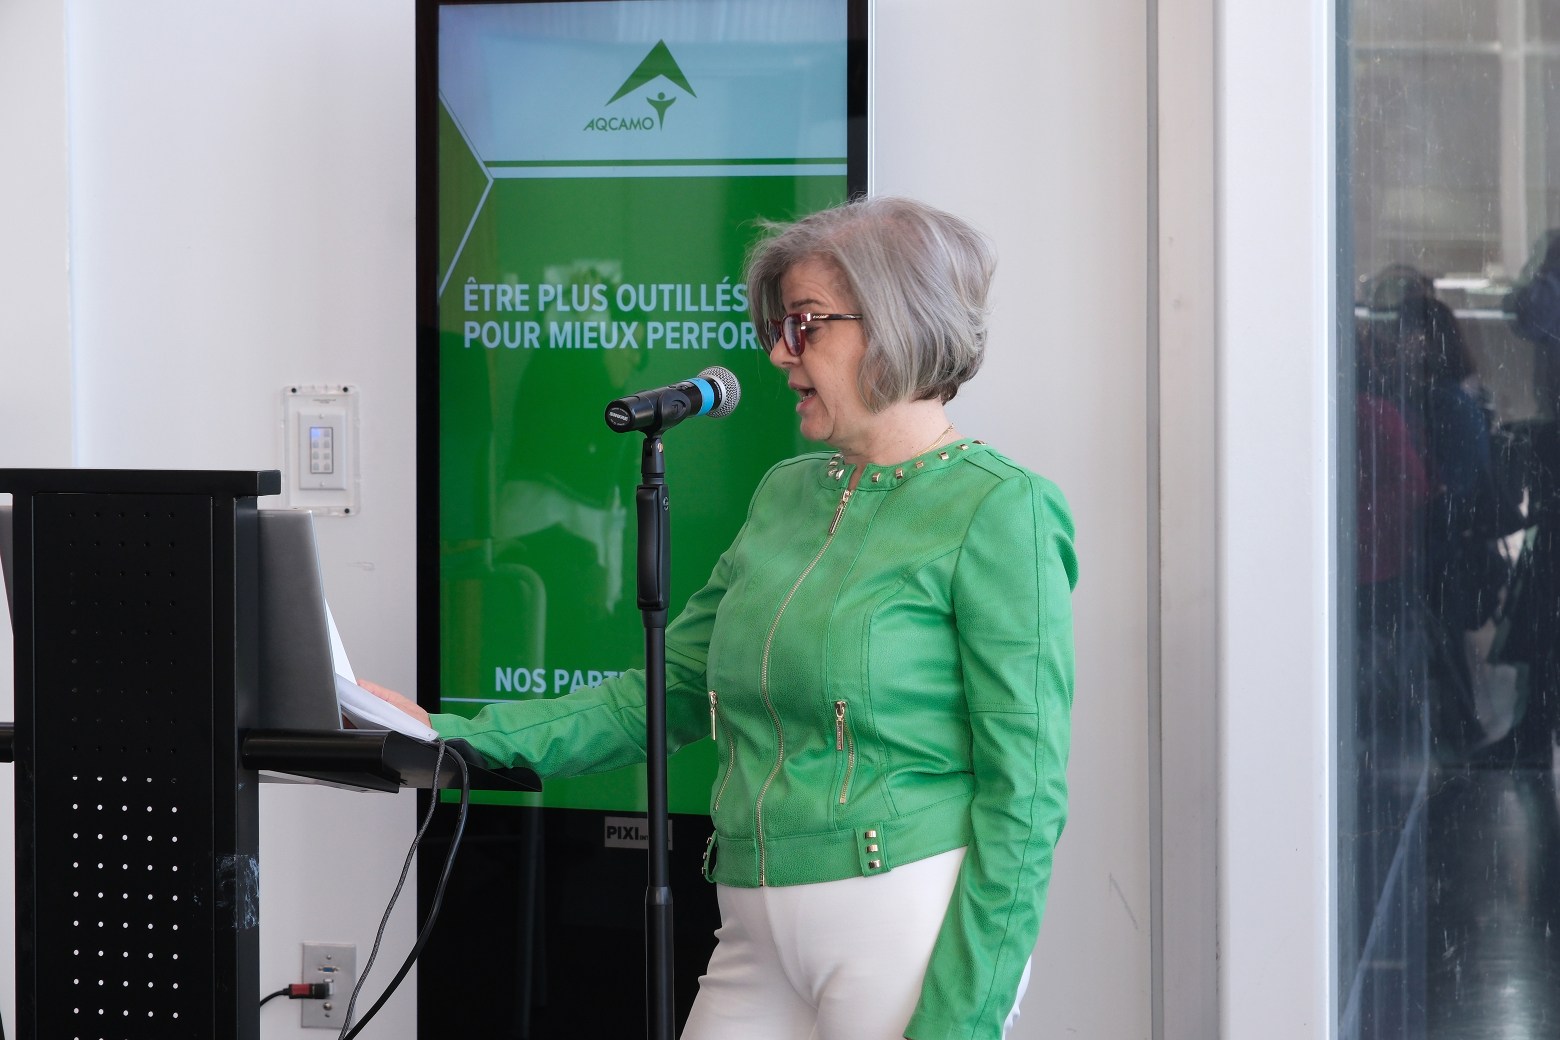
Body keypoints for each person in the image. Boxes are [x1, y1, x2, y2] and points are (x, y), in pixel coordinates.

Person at [362, 195, 1078, 1040]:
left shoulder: (1001, 509)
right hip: (751, 923)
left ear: (896, 325)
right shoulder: (786, 494)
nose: (778, 352)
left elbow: (1026, 796)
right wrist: (455, 734)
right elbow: (664, 690)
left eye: (805, 324)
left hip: (904, 921)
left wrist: (960, 1020)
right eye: (779, 326)